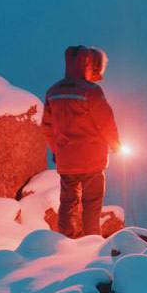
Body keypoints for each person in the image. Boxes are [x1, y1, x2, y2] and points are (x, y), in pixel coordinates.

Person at [41, 45, 121, 237]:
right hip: (92, 160)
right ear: (90, 65)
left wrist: (56, 152)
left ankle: (64, 240)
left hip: (66, 161)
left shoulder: (54, 92)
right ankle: (91, 241)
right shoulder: (91, 91)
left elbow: (47, 127)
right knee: (91, 203)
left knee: (68, 203)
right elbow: (105, 123)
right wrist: (115, 144)